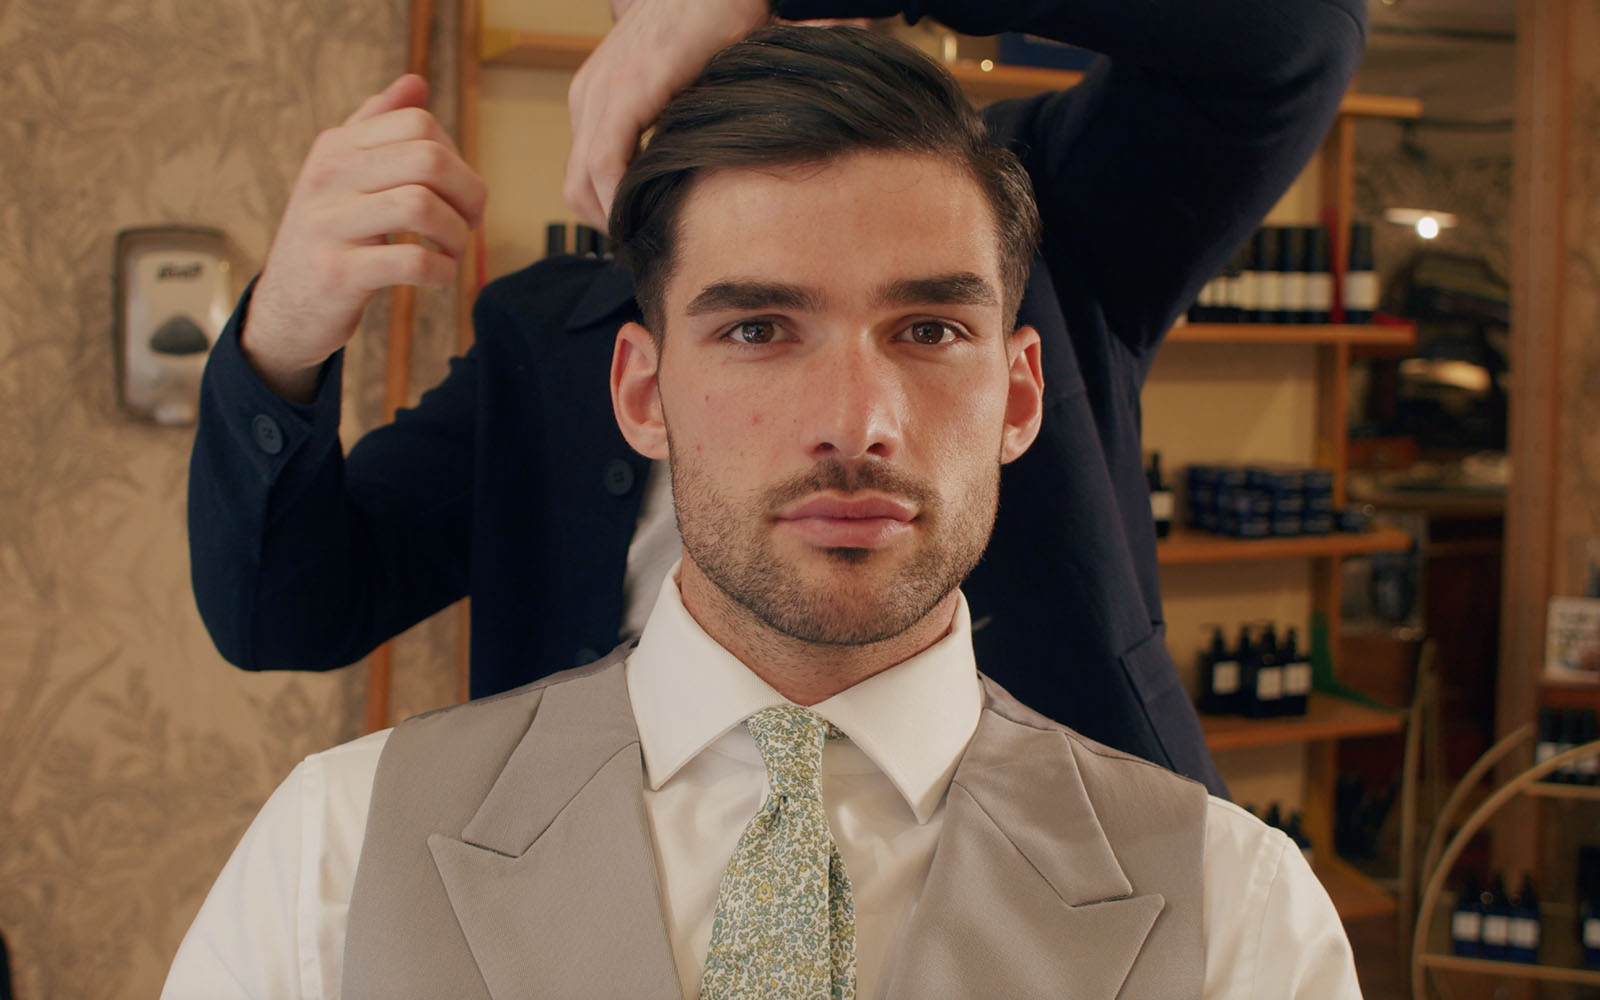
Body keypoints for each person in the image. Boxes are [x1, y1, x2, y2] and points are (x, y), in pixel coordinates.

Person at [166, 26, 1362, 999]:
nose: (854, 421)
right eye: (755, 330)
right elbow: (290, 602)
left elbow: (1279, 38)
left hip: (1071, 859)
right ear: (642, 386)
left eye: (930, 330)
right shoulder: (333, 853)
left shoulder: (1239, 912)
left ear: (1017, 385)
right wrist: (282, 334)